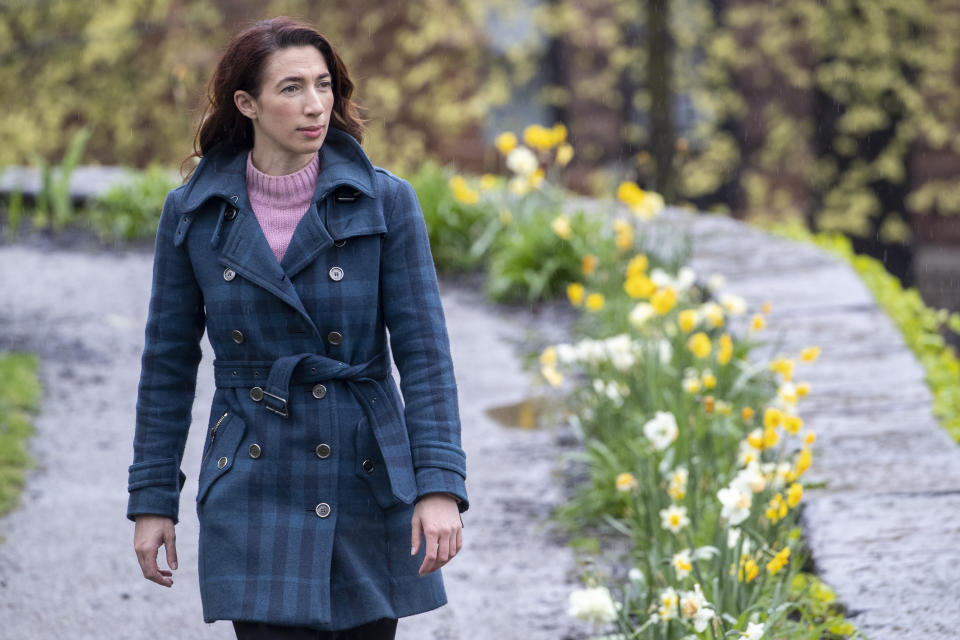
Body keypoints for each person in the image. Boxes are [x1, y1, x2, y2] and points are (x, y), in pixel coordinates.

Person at [126, 16, 468, 639]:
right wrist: (153, 500)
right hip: (253, 475)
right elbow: (167, 366)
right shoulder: (193, 214)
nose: (315, 105)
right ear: (246, 103)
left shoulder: (384, 202)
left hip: (365, 473)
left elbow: (425, 357)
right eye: (291, 88)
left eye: (324, 85)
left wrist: (440, 486)